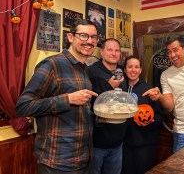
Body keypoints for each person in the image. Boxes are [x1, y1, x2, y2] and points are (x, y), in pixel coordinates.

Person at [15, 19, 99, 174]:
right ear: (70, 37)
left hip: (84, 158)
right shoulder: (52, 65)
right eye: (83, 36)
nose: (90, 41)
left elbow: (79, 112)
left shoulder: (85, 69)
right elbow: (23, 106)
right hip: (58, 162)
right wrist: (67, 99)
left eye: (94, 37)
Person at [87, 38, 127, 174]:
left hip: (118, 141)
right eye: (110, 50)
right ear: (102, 52)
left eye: (117, 50)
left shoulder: (122, 72)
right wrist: (109, 86)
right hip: (97, 141)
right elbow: (89, 102)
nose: (114, 53)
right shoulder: (91, 71)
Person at [122, 56, 163, 174]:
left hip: (145, 144)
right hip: (124, 144)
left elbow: (159, 117)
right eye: (130, 67)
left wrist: (150, 123)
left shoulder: (149, 90)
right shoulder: (120, 88)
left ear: (140, 70)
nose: (133, 70)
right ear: (125, 69)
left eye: (136, 67)